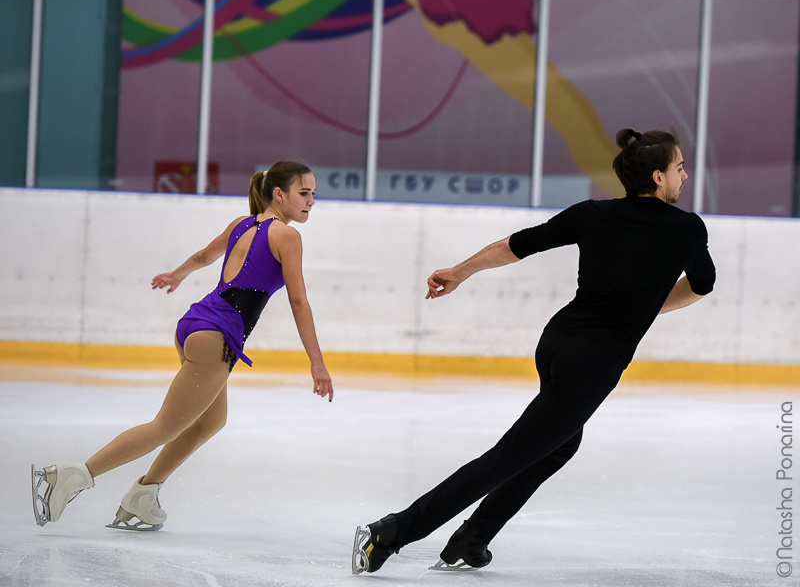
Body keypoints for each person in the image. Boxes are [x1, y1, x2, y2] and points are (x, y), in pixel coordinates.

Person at [351, 127, 716, 574]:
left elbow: (514, 246)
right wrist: (645, 305)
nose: (684, 175)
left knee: (559, 444)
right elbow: (702, 284)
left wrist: (461, 271)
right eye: (679, 167)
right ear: (658, 177)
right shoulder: (686, 228)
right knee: (506, 458)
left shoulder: (592, 214)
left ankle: (474, 536)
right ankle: (392, 531)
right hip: (594, 363)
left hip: (557, 342)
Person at [32, 160, 333, 532]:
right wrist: (316, 361)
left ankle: (145, 494)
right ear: (279, 194)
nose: (311, 201)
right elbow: (298, 301)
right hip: (216, 336)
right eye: (304, 193)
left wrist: (178, 275)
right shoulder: (287, 237)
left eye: (313, 194)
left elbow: (204, 258)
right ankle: (71, 475)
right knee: (164, 427)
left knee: (211, 420)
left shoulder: (243, 224)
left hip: (196, 324)